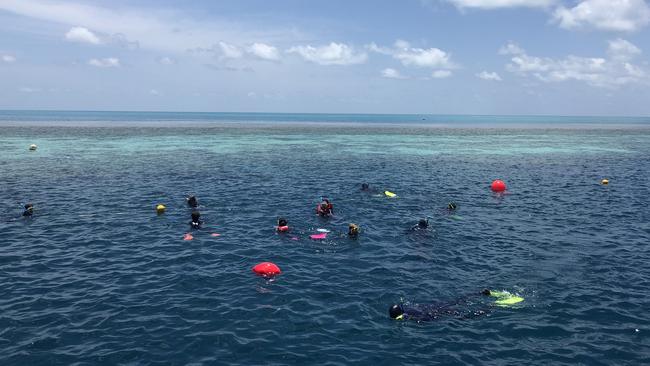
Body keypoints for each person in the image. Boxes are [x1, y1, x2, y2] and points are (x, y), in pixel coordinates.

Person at [389, 289, 523, 321]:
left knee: (466, 317)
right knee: (457, 301)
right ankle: (480, 293)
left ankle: (495, 305)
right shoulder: (407, 307)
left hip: (433, 313)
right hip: (432, 306)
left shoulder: (405, 316)